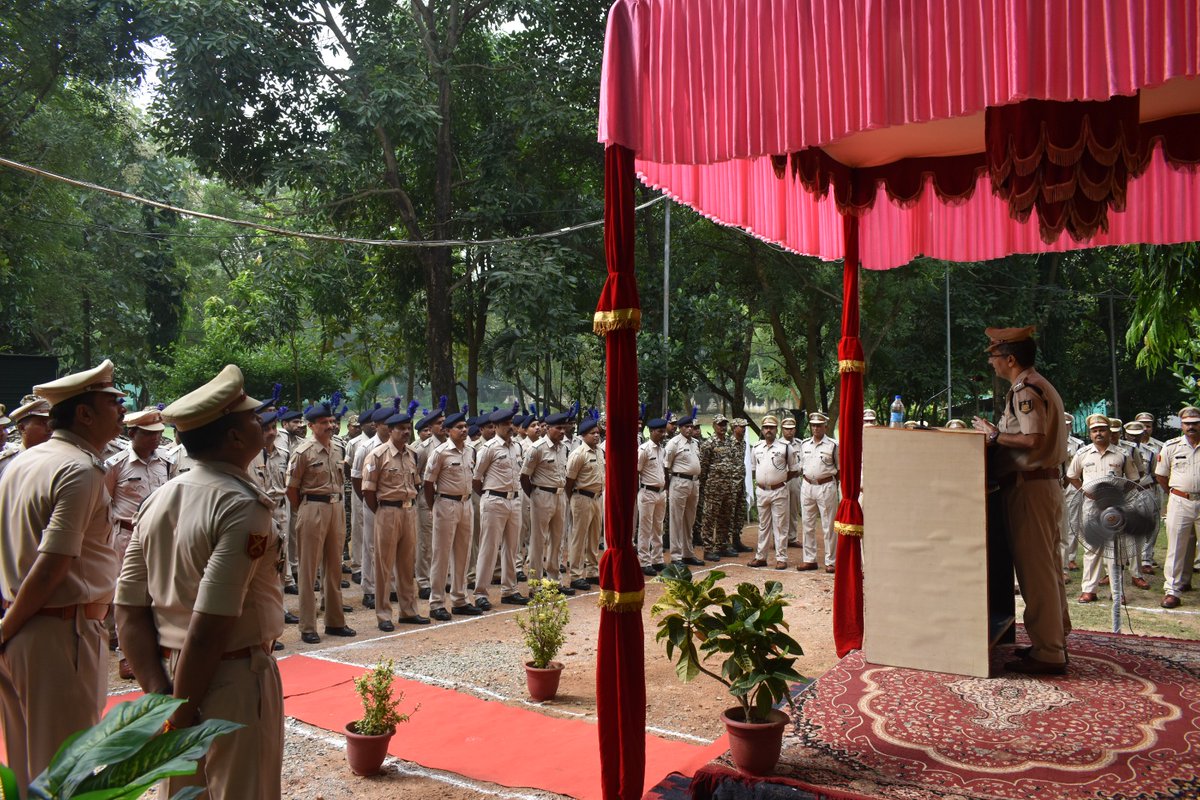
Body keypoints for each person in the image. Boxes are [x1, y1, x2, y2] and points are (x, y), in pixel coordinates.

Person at [115, 364, 283, 799]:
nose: (261, 422)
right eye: (252, 417)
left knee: (181, 792)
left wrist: (162, 697)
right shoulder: (241, 505)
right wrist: (180, 714)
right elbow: (209, 625)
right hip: (232, 676)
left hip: (171, 674)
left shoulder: (160, 498)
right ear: (234, 437)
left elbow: (129, 609)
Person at [0, 360, 124, 791]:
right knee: (64, 773)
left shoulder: (24, 462)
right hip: (58, 631)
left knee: (28, 765)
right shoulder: (79, 469)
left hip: (24, 627)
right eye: (112, 401)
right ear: (84, 414)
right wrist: (6, 629)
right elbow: (53, 563)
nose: (122, 409)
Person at [970, 325, 1070, 675]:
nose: (991, 362)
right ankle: (1053, 639)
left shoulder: (1026, 389)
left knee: (1036, 571)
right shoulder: (1035, 384)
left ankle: (1049, 652)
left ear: (1010, 359)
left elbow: (1032, 439)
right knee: (1047, 568)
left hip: (1030, 488)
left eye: (994, 356)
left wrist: (994, 434)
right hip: (1041, 486)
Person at [104, 408, 173, 678]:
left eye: (158, 433)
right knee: (128, 596)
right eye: (149, 434)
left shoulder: (165, 461)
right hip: (126, 535)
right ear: (132, 433)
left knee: (161, 592)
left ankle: (160, 649)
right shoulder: (116, 464)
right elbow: (104, 504)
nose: (156, 438)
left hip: (160, 534)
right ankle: (127, 655)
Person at [287, 400, 355, 644]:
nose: (330, 426)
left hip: (336, 507)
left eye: (332, 421)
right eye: (324, 422)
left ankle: (335, 621)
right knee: (308, 570)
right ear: (311, 426)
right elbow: (291, 489)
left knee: (334, 566)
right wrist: (306, 509)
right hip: (312, 507)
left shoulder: (337, 449)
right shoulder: (303, 452)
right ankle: (308, 626)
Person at [362, 405, 428, 629]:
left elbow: (416, 484)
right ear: (390, 431)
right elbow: (368, 491)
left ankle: (409, 611)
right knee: (384, 566)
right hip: (387, 511)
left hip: (408, 511)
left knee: (407, 564)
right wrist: (383, 511)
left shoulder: (412, 454)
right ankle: (383, 615)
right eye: (401, 428)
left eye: (408, 428)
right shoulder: (377, 455)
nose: (406, 432)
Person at [1067, 414, 1141, 603]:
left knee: (1115, 549)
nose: (1098, 433)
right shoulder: (1082, 454)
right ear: (1090, 433)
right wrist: (1085, 491)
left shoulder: (1122, 454)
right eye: (1094, 430)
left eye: (1102, 429)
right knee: (1092, 548)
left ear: (1109, 431)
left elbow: (1134, 479)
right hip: (1092, 506)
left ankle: (1117, 592)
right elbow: (1072, 476)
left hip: (1114, 507)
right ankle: (1089, 590)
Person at [424, 408, 480, 620]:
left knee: (463, 553)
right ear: (448, 431)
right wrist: (434, 508)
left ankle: (459, 599)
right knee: (441, 555)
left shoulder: (470, 450)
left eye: (465, 427)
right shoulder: (440, 453)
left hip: (465, 503)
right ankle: (437, 602)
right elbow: (428, 484)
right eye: (459, 427)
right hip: (446, 503)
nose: (464, 430)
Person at [472, 405, 528, 608]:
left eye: (511, 423)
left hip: (514, 500)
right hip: (494, 500)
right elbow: (476, 479)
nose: (510, 427)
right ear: (495, 427)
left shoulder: (516, 447)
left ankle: (509, 590)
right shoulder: (488, 448)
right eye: (505, 424)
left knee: (512, 547)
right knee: (489, 548)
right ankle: (480, 593)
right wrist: (490, 496)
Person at [522, 411, 574, 594]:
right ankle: (535, 585)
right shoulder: (537, 448)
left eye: (564, 428)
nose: (562, 431)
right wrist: (535, 495)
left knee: (557, 540)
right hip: (542, 495)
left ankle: (554, 581)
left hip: (560, 496)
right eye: (559, 428)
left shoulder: (563, 448)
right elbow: (524, 477)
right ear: (548, 428)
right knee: (538, 541)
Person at [1155, 405, 1200, 609]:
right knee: (1177, 546)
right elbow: (1161, 475)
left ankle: (1185, 580)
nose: (1191, 427)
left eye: (1195, 423)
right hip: (1180, 500)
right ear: (1181, 425)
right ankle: (1172, 590)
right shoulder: (1171, 446)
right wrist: (1175, 494)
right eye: (1187, 423)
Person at [749, 415, 799, 569]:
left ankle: (781, 558)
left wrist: (780, 480)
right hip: (762, 491)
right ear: (762, 430)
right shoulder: (756, 447)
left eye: (771, 427)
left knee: (780, 525)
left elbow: (794, 469)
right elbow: (753, 469)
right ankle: (761, 557)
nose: (768, 430)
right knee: (763, 525)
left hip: (779, 490)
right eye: (765, 427)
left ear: (776, 430)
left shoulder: (785, 447)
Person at [565, 412, 604, 590]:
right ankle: (576, 575)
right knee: (579, 538)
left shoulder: (600, 451)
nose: (596, 435)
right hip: (581, 497)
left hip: (596, 497)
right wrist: (573, 500)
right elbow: (569, 481)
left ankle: (592, 571)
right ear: (583, 435)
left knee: (594, 537)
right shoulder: (578, 454)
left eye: (597, 433)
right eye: (592, 433)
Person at [799, 412, 839, 573]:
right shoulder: (804, 444)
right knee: (807, 524)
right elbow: (802, 466)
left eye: (819, 425)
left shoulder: (833, 445)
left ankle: (831, 561)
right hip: (807, 485)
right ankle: (809, 560)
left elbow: (839, 469)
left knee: (828, 525)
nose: (815, 428)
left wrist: (835, 486)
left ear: (825, 427)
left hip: (826, 486)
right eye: (813, 425)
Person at [698, 414, 741, 560]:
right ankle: (708, 549)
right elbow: (703, 468)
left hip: (728, 487)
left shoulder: (730, 442)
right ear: (714, 426)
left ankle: (722, 545)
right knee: (709, 519)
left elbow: (733, 462)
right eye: (720, 424)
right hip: (713, 488)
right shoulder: (708, 444)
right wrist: (706, 486)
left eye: (724, 424)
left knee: (725, 518)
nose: (722, 427)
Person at [663, 413, 703, 567]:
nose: (690, 429)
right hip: (679, 482)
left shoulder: (695, 443)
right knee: (676, 520)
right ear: (680, 428)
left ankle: (688, 553)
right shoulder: (674, 443)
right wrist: (667, 486)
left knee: (689, 520)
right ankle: (676, 556)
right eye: (686, 426)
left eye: (691, 426)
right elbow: (666, 466)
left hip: (694, 482)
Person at [636, 418, 669, 575]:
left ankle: (657, 559)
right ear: (651, 431)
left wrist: (665, 488)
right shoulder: (644, 450)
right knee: (645, 528)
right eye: (659, 431)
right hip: (647, 492)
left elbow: (664, 470)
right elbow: (636, 471)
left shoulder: (662, 450)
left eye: (664, 431)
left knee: (658, 527)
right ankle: (644, 561)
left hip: (661, 493)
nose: (663, 434)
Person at [0, 398, 52, 481]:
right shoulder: (5, 463)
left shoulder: (59, 457)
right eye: (43, 423)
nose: (50, 429)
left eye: (51, 423)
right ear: (22, 428)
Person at [780, 417, 803, 549]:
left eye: (791, 429)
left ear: (794, 430)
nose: (789, 431)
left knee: (794, 509)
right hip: (781, 480)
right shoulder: (777, 444)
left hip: (795, 479)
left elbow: (804, 461)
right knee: (780, 511)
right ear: (782, 430)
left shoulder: (800, 444)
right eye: (786, 429)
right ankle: (779, 538)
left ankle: (792, 538)